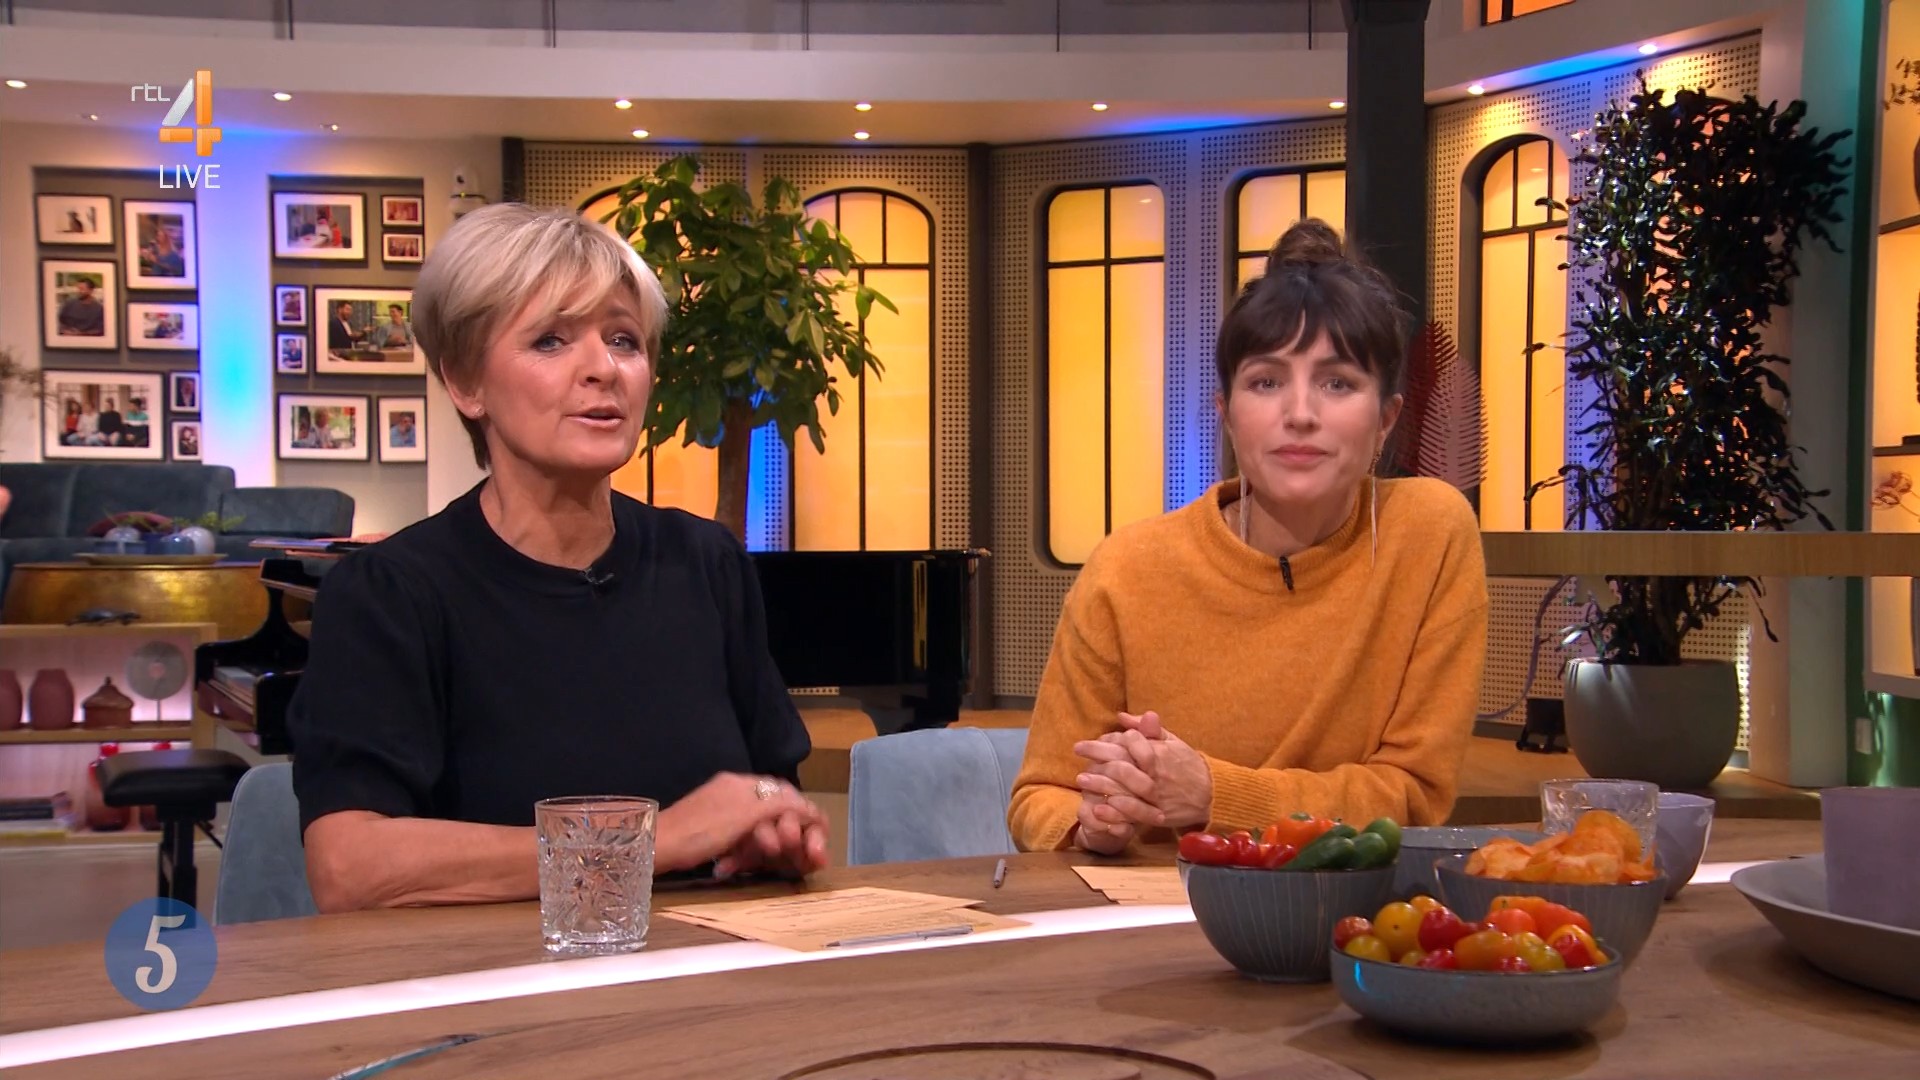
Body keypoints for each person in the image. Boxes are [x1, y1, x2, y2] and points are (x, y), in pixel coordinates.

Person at [290, 202, 826, 913]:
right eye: (550, 340)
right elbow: (349, 869)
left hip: (705, 962)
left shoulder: (707, 563)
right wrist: (650, 840)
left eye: (624, 340)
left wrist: (774, 830)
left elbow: (770, 794)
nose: (603, 368)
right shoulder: (389, 594)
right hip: (493, 973)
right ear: (466, 382)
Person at [1007, 219, 1489, 854]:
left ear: (1385, 420)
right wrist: (1091, 820)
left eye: (1337, 383)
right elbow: (1040, 796)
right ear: (1228, 415)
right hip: (1160, 902)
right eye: (1266, 382)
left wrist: (1215, 793)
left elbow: (1413, 795)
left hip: (1351, 900)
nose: (1300, 414)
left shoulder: (1429, 533)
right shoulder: (1128, 567)